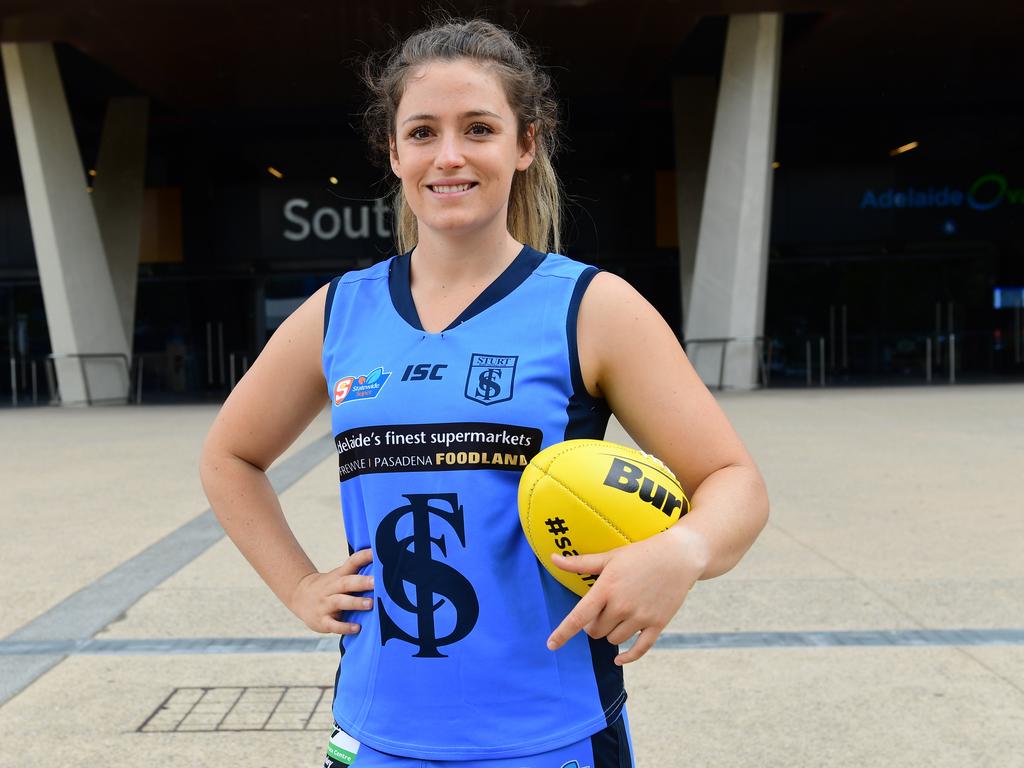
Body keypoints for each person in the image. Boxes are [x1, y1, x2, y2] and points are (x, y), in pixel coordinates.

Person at [199, 16, 769, 768]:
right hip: (377, 732)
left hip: (552, 734)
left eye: (479, 128)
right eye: (424, 132)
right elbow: (229, 456)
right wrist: (299, 585)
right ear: (394, 151)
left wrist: (684, 549)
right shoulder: (341, 313)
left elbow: (735, 483)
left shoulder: (591, 309)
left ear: (525, 145)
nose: (450, 156)